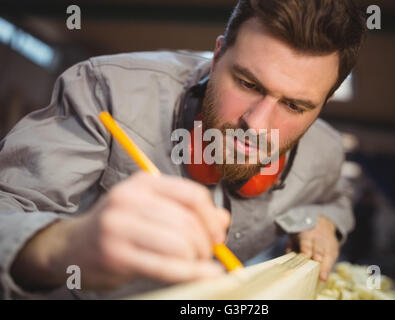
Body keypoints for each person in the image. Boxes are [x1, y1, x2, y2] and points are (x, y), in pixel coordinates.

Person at [0, 0, 366, 299]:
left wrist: (325, 223)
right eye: (247, 83)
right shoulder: (106, 91)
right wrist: (63, 247)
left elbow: (336, 199)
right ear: (218, 54)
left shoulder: (327, 151)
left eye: (295, 106)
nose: (256, 125)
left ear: (324, 103)